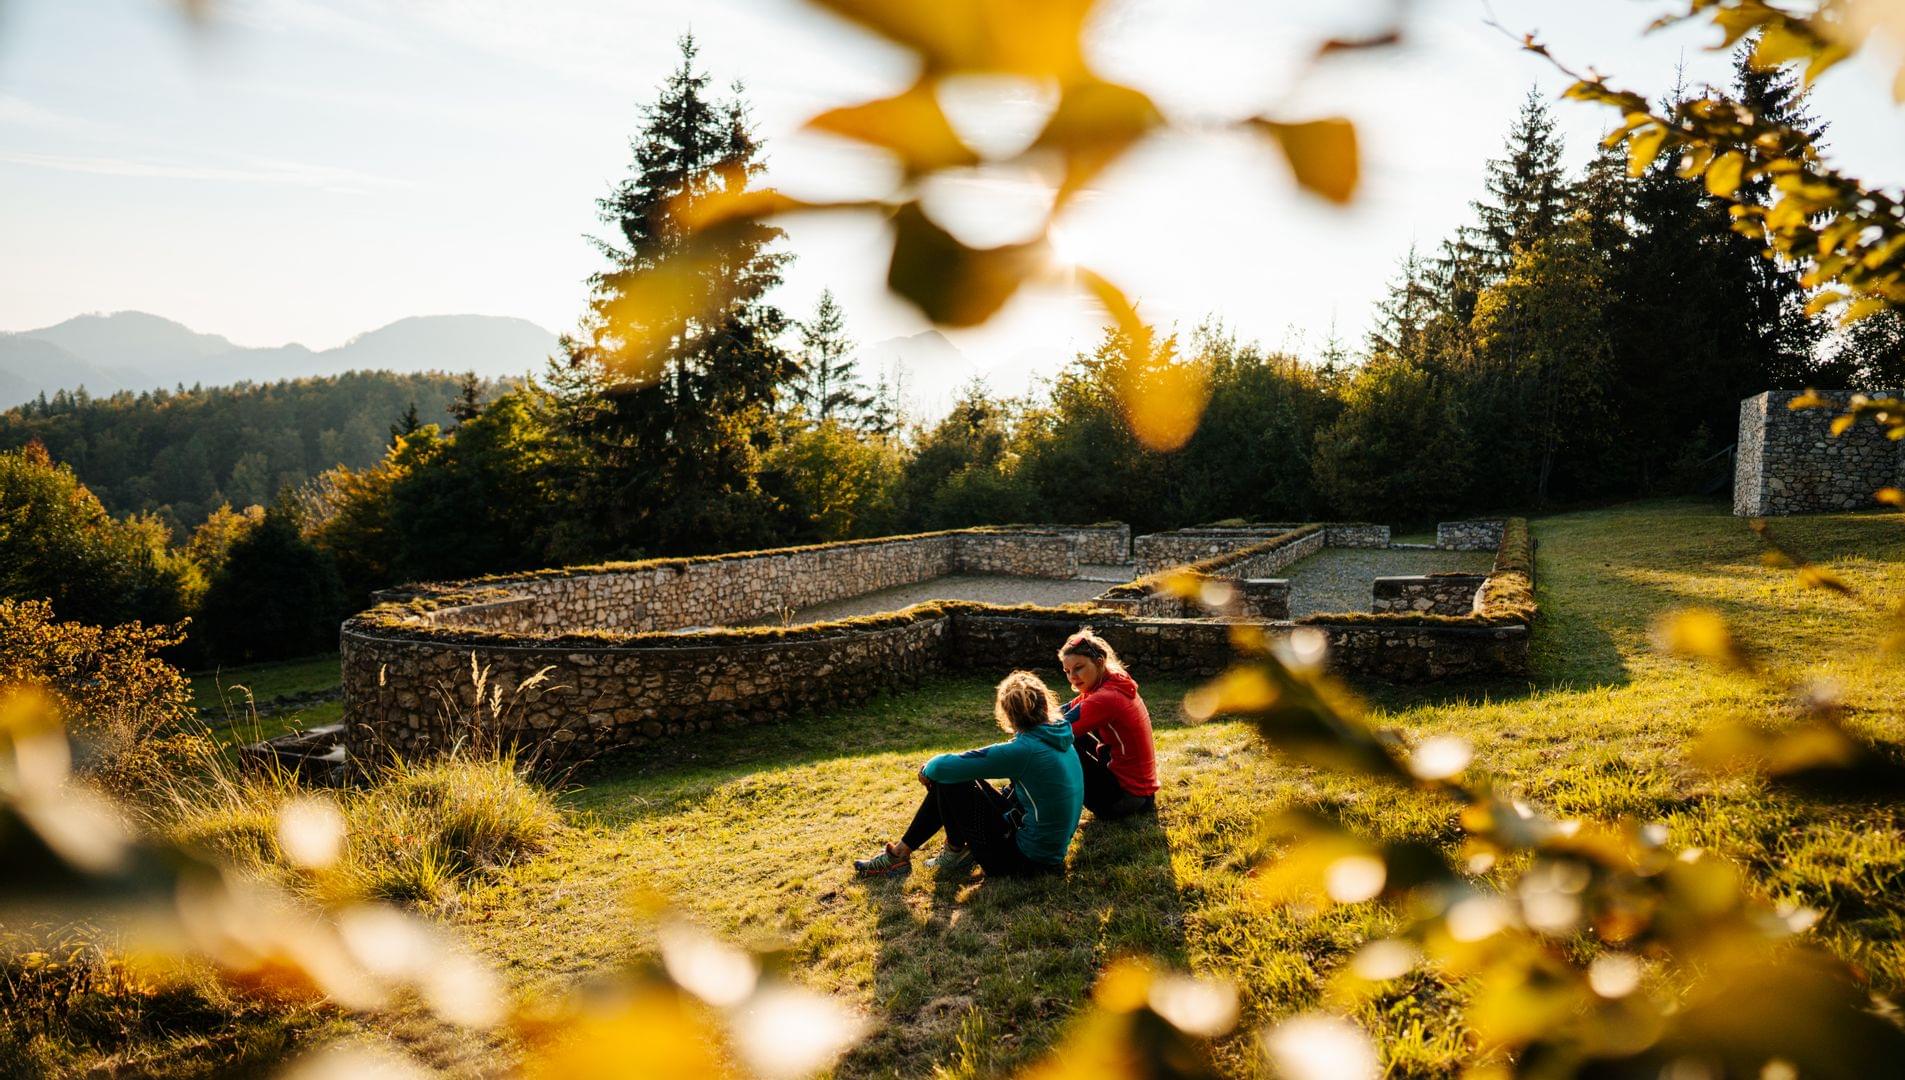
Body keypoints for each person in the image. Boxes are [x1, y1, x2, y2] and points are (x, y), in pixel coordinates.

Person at [854, 670, 1083, 879]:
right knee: (959, 775)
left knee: (949, 779)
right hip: (1048, 853)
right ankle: (933, 852)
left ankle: (917, 855)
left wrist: (927, 768)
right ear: (1045, 703)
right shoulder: (1058, 734)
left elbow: (941, 767)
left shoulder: (1025, 750)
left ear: (1008, 714)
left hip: (1025, 863)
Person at [1058, 627, 1159, 819]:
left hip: (1125, 800)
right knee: (1069, 738)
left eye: (1078, 668)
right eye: (1067, 671)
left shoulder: (1106, 697)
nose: (1072, 676)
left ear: (1099, 662)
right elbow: (1063, 711)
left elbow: (1054, 730)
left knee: (1057, 745)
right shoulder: (1112, 681)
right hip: (1142, 794)